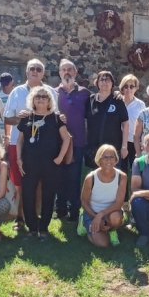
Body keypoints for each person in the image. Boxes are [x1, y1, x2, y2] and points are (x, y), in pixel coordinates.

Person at [3, 59, 57, 229]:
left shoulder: (50, 92)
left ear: (43, 73)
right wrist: (22, 119)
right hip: (18, 143)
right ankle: (20, 218)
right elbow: (7, 118)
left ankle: (38, 218)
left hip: (44, 146)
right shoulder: (17, 92)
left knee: (41, 183)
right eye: (32, 68)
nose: (35, 71)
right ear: (26, 72)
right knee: (21, 183)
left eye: (38, 69)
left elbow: (55, 116)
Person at [16, 85, 71, 240]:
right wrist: (19, 159)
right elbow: (20, 141)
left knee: (48, 195)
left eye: (44, 97)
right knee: (28, 195)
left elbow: (67, 138)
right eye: (37, 96)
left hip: (50, 164)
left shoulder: (55, 118)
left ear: (49, 101)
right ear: (32, 99)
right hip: (29, 163)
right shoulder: (27, 117)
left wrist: (60, 158)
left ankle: (44, 228)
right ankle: (32, 228)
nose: (40, 99)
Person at [54, 59, 90, 222]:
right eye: (63, 70)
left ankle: (74, 211)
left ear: (75, 73)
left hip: (78, 142)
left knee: (74, 178)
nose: (66, 72)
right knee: (59, 177)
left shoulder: (85, 93)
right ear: (60, 73)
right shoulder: (53, 93)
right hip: (57, 143)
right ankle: (60, 210)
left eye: (70, 69)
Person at [80, 144, 127, 247]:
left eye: (112, 157)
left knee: (116, 218)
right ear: (99, 159)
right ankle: (85, 224)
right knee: (103, 244)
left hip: (111, 212)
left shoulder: (122, 177)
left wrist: (101, 215)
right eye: (105, 157)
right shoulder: (90, 178)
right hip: (92, 213)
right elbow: (84, 202)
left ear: (116, 159)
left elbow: (119, 203)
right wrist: (96, 218)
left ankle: (111, 230)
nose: (109, 160)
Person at [85, 71, 129, 169]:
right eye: (102, 79)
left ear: (112, 83)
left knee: (113, 177)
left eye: (108, 79)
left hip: (113, 148)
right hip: (94, 148)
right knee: (96, 178)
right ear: (97, 83)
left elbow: (125, 123)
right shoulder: (90, 100)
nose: (105, 82)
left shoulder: (117, 100)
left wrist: (124, 146)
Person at [119, 74, 146, 174]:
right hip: (120, 142)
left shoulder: (140, 105)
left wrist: (143, 141)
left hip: (135, 142)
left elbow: (144, 124)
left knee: (138, 171)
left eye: (131, 86)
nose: (128, 89)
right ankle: (123, 190)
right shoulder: (117, 102)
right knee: (121, 172)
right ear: (122, 88)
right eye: (126, 86)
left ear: (136, 88)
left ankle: (137, 190)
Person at [0, 72, 15, 145]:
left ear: (12, 82)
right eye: (3, 83)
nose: (5, 86)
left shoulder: (16, 96)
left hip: (14, 133)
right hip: (0, 134)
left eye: (7, 83)